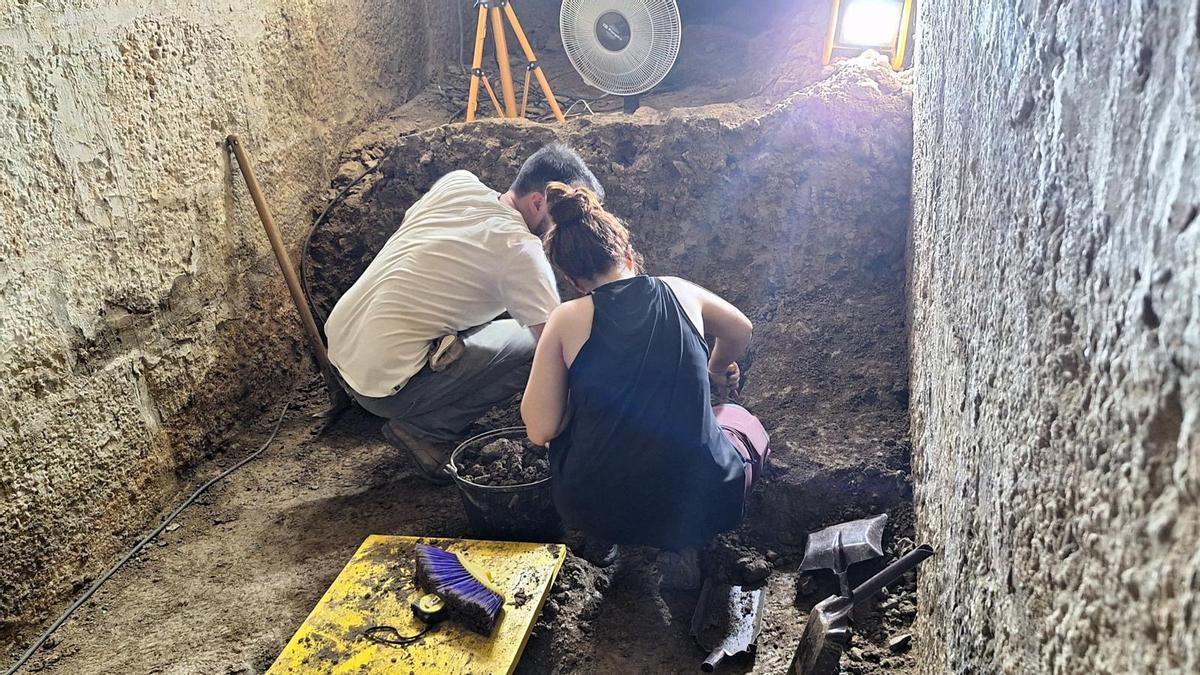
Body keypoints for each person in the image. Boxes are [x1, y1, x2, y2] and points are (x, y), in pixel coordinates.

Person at [520, 182, 770, 581]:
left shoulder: (566, 319)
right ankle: (683, 546)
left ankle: (607, 539)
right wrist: (716, 369)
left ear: (573, 279)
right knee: (743, 423)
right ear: (629, 254)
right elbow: (741, 330)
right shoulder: (678, 289)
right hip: (702, 501)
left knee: (580, 435)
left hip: (592, 504)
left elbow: (540, 428)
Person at [325, 144, 604, 484]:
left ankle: (424, 393)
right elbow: (558, 349)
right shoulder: (518, 250)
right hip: (383, 388)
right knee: (539, 352)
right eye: (564, 214)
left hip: (341, 348)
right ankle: (423, 429)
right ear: (537, 202)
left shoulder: (458, 183)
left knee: (502, 324)